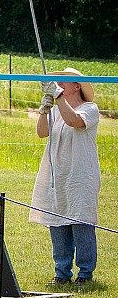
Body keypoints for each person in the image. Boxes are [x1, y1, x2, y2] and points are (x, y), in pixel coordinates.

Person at [30, 67, 100, 286]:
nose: (58, 84)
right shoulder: (57, 109)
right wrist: (44, 109)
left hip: (80, 175)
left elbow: (73, 121)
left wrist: (58, 97)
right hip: (57, 173)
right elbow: (42, 132)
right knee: (57, 223)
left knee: (81, 222)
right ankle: (62, 272)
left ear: (77, 86)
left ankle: (85, 274)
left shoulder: (90, 108)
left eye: (63, 82)